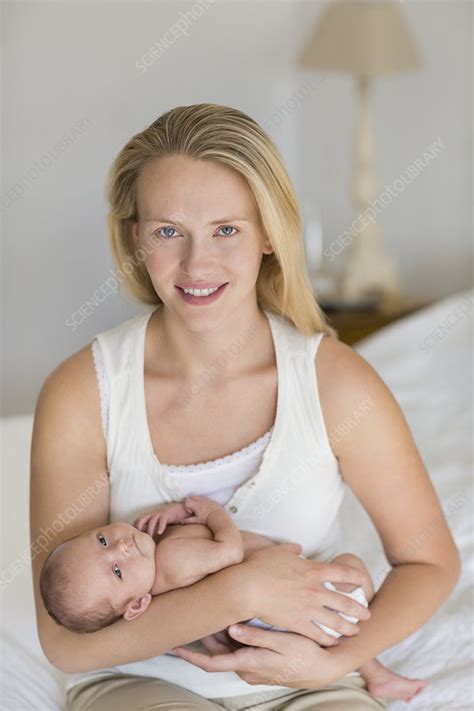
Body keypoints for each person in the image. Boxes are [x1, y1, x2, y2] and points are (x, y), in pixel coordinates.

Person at [30, 103, 460, 711]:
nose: (196, 264)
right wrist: (243, 589)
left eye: (226, 229)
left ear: (267, 235)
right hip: (141, 682)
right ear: (136, 238)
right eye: (168, 231)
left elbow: (429, 561)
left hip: (313, 682)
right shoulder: (82, 393)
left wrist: (330, 664)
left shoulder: (336, 384)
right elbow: (65, 643)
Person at [40, 495, 427, 703]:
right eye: (117, 571)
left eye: (102, 540)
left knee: (339, 626)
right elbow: (228, 552)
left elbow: (206, 623)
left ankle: (375, 674)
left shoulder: (158, 573)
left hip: (276, 617)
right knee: (351, 569)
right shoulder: (172, 559)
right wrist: (212, 512)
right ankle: (374, 672)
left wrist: (173, 515)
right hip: (298, 601)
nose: (121, 547)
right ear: (137, 605)